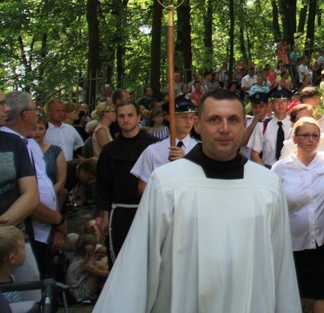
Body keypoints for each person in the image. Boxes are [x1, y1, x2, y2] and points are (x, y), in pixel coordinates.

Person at [94, 89, 300, 312]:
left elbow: (282, 268)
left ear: (244, 126)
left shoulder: (267, 185)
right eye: (214, 120)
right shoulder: (166, 184)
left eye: (233, 120)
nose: (224, 128)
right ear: (197, 125)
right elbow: (137, 267)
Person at [272, 117, 324, 313]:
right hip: (294, 246)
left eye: (315, 136)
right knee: (294, 298)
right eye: (305, 135)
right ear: (294, 138)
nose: (310, 140)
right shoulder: (281, 169)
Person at [2, 92, 62, 280]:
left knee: (32, 297)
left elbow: (30, 194)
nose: (6, 109)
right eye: (1, 103)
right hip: (27, 230)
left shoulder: (17, 142)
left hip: (18, 236)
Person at [96, 100, 158, 262]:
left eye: (130, 115)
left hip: (149, 211)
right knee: (121, 260)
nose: (126, 119)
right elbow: (104, 186)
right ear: (116, 119)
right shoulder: (109, 151)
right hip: (121, 213)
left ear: (138, 117)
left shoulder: (154, 146)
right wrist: (105, 216)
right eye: (121, 116)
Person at [131, 96, 198, 194]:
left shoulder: (201, 150)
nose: (188, 122)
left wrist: (186, 162)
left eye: (191, 117)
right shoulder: (153, 150)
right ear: (169, 117)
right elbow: (142, 188)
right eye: (184, 117)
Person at [247, 85, 292, 167]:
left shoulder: (295, 125)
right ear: (271, 104)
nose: (280, 105)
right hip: (268, 168)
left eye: (283, 101)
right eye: (276, 102)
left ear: (288, 103)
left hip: (290, 171)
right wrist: (267, 173)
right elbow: (254, 154)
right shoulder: (262, 125)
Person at [65, 234, 109, 303]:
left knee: (97, 264)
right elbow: (104, 274)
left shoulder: (75, 259)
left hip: (75, 291)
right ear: (91, 249)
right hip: (80, 294)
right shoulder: (85, 265)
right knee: (97, 270)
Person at [31, 116, 66, 199]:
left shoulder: (55, 150)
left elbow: (61, 181)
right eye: (33, 129)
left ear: (46, 130)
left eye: (41, 129)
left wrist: (47, 195)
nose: (37, 132)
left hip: (51, 196)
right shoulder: (23, 150)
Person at [0, 226, 27, 307]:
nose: (26, 250)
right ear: (12, 258)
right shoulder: (5, 295)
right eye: (23, 247)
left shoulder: (10, 278)